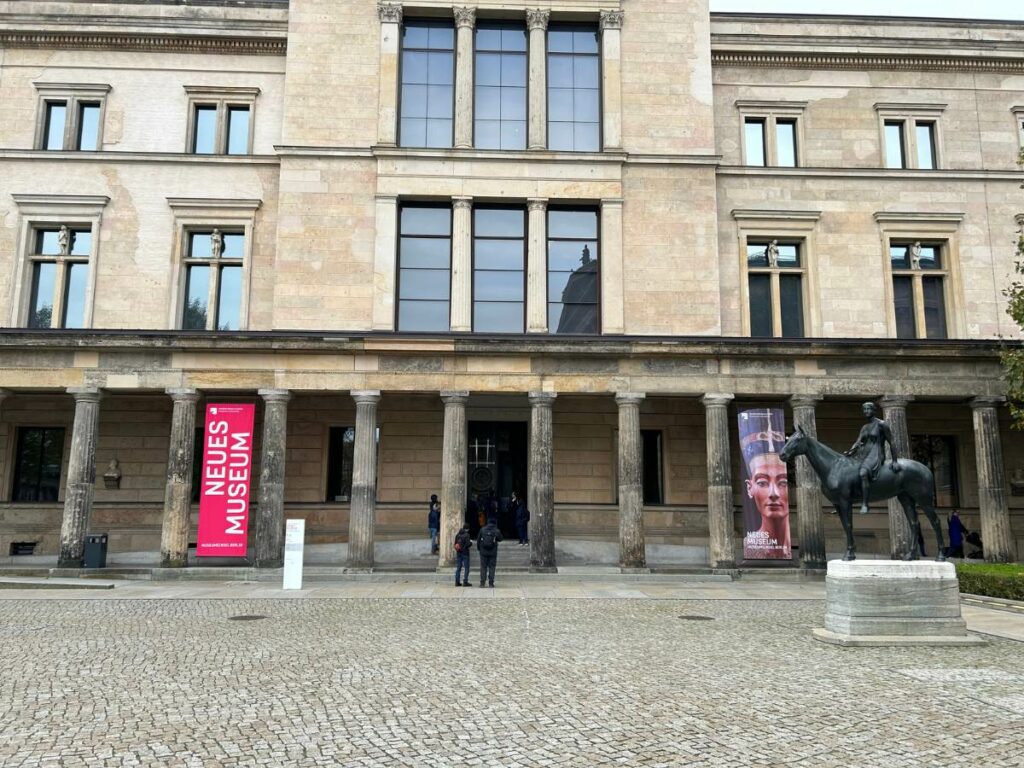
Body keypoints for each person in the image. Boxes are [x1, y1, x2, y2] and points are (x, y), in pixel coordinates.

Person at [739, 409, 791, 560]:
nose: (773, 493)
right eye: (762, 483)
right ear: (750, 488)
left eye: (783, 483)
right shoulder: (751, 545)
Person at [844, 401, 901, 516]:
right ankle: (846, 500)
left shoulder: (881, 424)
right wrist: (850, 451)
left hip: (876, 453)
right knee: (848, 471)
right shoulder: (865, 427)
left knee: (863, 473)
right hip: (863, 453)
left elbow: (892, 442)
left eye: (868, 409)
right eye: (864, 409)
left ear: (874, 410)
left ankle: (865, 504)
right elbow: (858, 441)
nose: (866, 411)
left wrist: (895, 460)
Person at [477, 517, 503, 588]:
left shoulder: (482, 529)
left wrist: (479, 549)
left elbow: (478, 540)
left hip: (483, 551)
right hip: (493, 551)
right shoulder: (496, 530)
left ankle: (482, 583)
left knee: (483, 567)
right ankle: (491, 583)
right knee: (492, 567)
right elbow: (501, 539)